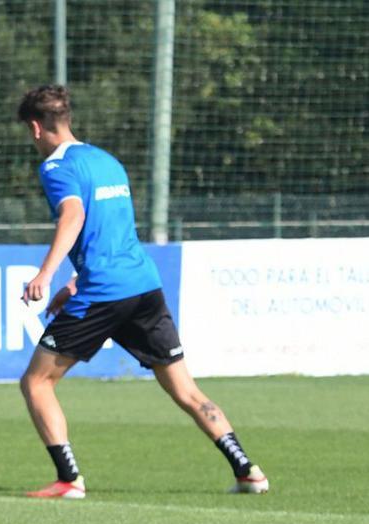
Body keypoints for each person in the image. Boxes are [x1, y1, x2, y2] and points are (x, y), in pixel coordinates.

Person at [15, 84, 269, 500]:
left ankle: (69, 479)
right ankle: (248, 470)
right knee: (185, 390)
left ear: (36, 128)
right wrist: (71, 284)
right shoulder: (107, 161)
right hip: (143, 287)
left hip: (105, 292)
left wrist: (45, 274)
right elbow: (111, 236)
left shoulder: (55, 168)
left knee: (37, 382)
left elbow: (74, 215)